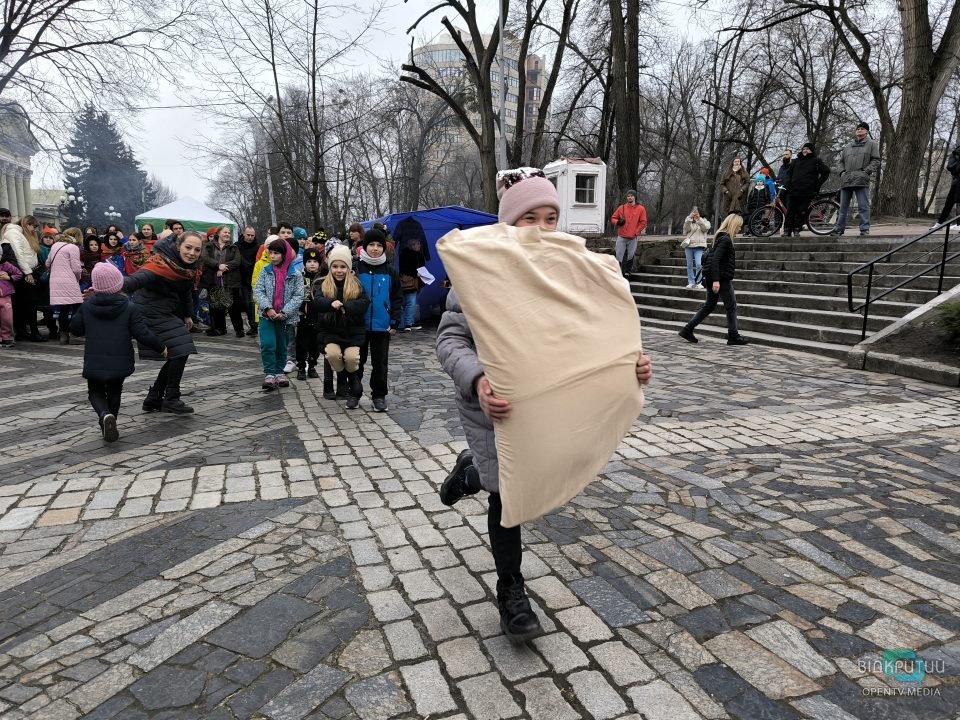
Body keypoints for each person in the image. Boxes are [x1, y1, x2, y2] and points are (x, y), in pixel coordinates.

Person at [436, 166, 654, 643]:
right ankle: (512, 592)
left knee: (518, 479)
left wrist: (628, 366)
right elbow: (450, 341)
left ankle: (467, 474)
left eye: (550, 218)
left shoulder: (570, 271)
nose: (541, 228)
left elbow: (592, 332)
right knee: (507, 495)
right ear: (507, 224)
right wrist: (478, 380)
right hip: (496, 409)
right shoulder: (480, 273)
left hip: (547, 404)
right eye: (529, 218)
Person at [71, 263, 166, 442]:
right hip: (120, 360)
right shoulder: (129, 307)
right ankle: (111, 419)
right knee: (115, 390)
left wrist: (84, 305)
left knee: (95, 391)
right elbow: (142, 333)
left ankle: (104, 415)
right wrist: (161, 347)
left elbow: (75, 329)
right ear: (118, 284)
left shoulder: (88, 306)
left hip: (95, 360)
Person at [122, 231, 204, 414]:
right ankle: (171, 398)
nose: (192, 253)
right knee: (182, 348)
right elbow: (137, 279)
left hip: (165, 311)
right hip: (148, 310)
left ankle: (155, 397)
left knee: (179, 350)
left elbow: (185, 292)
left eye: (197, 250)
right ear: (178, 246)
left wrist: (188, 315)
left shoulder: (186, 268)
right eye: (188, 247)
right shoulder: (160, 262)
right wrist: (111, 287)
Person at [678, 214, 749, 346]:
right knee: (731, 306)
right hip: (720, 278)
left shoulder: (719, 237)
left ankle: (688, 329)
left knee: (709, 305)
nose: (740, 229)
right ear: (733, 225)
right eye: (739, 226)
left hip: (713, 276)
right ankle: (733, 335)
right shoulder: (725, 239)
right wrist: (716, 280)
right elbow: (716, 259)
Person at [354, 228, 402, 411]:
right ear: (365, 246)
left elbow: (397, 297)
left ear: (384, 248)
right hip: (359, 325)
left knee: (380, 364)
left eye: (379, 245)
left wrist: (394, 321)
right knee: (356, 362)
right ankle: (354, 393)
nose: (375, 248)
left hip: (382, 326)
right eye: (371, 245)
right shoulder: (356, 268)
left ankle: (379, 396)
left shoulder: (390, 271)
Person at [313, 244, 369, 398]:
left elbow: (364, 302)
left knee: (352, 358)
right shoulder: (324, 284)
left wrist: (348, 306)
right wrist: (330, 303)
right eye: (335, 266)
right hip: (331, 333)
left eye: (343, 267)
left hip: (352, 333)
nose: (339, 270)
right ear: (330, 267)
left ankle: (352, 377)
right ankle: (342, 375)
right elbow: (317, 301)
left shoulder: (356, 285)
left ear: (348, 268)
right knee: (332, 354)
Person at [254, 238, 303, 390]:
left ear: (284, 254)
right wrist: (268, 308)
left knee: (282, 345)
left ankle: (279, 372)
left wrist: (284, 312)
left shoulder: (295, 274)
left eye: (276, 253)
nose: (273, 256)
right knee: (268, 344)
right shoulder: (265, 271)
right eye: (271, 253)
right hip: (267, 316)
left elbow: (298, 296)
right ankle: (269, 373)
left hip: (284, 318)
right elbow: (258, 290)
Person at [831, 121, 881, 236]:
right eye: (858, 129)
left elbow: (876, 160)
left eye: (862, 129)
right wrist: (842, 172)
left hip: (861, 180)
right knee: (843, 208)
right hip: (847, 180)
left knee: (863, 206)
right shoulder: (848, 146)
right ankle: (839, 229)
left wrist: (866, 172)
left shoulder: (872, 144)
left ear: (867, 131)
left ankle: (864, 229)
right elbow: (840, 162)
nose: (859, 130)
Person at [3, 215, 44, 341]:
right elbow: (19, 255)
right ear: (27, 224)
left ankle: (23, 331)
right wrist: (28, 273)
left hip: (26, 271)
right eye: (33, 226)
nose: (34, 229)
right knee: (28, 303)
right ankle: (31, 332)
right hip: (23, 272)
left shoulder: (20, 233)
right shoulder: (13, 233)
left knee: (24, 304)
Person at [201, 225, 245, 337]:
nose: (227, 234)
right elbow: (205, 258)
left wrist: (223, 268)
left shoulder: (233, 247)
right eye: (225, 232)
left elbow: (237, 261)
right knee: (217, 306)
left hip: (231, 281)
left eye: (229, 233)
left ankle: (239, 329)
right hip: (214, 280)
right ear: (218, 233)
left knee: (234, 306)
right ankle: (220, 329)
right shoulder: (209, 246)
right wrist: (217, 265)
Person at [784, 143, 830, 237]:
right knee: (790, 211)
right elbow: (789, 173)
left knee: (801, 211)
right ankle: (787, 230)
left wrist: (817, 185)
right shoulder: (796, 161)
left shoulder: (816, 161)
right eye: (804, 149)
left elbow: (826, 172)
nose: (805, 150)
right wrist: (788, 184)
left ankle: (797, 229)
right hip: (794, 190)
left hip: (807, 191)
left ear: (812, 150)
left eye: (808, 149)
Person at [47, 227, 84, 344]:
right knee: (78, 306)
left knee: (64, 309)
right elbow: (76, 269)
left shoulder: (55, 245)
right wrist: (78, 278)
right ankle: (74, 333)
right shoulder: (73, 247)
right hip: (69, 280)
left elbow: (47, 263)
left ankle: (63, 335)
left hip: (55, 281)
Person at [295, 248, 323, 380]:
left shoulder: (322, 278)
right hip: (303, 316)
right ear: (304, 263)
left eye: (315, 261)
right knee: (301, 343)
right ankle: (301, 366)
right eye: (309, 261)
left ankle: (312, 365)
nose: (312, 264)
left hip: (317, 316)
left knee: (315, 344)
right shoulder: (300, 277)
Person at [609, 190, 647, 277]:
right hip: (621, 236)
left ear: (635, 197)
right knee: (619, 255)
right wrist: (618, 222)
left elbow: (643, 222)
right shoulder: (621, 208)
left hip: (633, 237)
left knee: (630, 255)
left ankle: (627, 273)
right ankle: (618, 274)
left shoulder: (641, 209)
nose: (630, 197)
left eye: (631, 196)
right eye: (628, 196)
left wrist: (636, 232)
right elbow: (613, 218)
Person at [398, 237, 426, 331]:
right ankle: (408, 324)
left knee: (407, 303)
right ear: (412, 245)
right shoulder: (412, 255)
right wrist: (416, 273)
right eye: (418, 244)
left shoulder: (406, 254)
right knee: (411, 303)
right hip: (411, 282)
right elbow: (405, 269)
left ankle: (405, 323)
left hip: (411, 282)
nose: (419, 246)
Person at [237, 226, 261, 334]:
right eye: (248, 235)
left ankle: (254, 325)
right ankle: (250, 325)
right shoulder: (237, 246)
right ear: (244, 234)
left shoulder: (257, 247)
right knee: (246, 303)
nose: (250, 237)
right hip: (241, 278)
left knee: (253, 303)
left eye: (252, 235)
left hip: (254, 277)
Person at [0, 243, 23, 348]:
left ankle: (7, 337)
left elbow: (19, 274)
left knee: (7, 318)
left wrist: (9, 277)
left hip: (5, 295)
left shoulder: (5, 265)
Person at [681, 208, 711, 289]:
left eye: (696, 213)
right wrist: (689, 218)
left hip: (699, 246)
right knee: (689, 265)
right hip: (689, 246)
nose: (695, 214)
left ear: (700, 213)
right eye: (693, 213)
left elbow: (704, 229)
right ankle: (691, 282)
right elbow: (685, 230)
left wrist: (699, 219)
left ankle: (698, 282)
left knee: (698, 264)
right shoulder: (690, 222)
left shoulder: (706, 222)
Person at [934, 143, 960, 229]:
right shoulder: (957, 151)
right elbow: (951, 166)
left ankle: (941, 222)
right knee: (950, 202)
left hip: (956, 179)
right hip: (957, 180)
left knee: (950, 202)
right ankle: (940, 222)